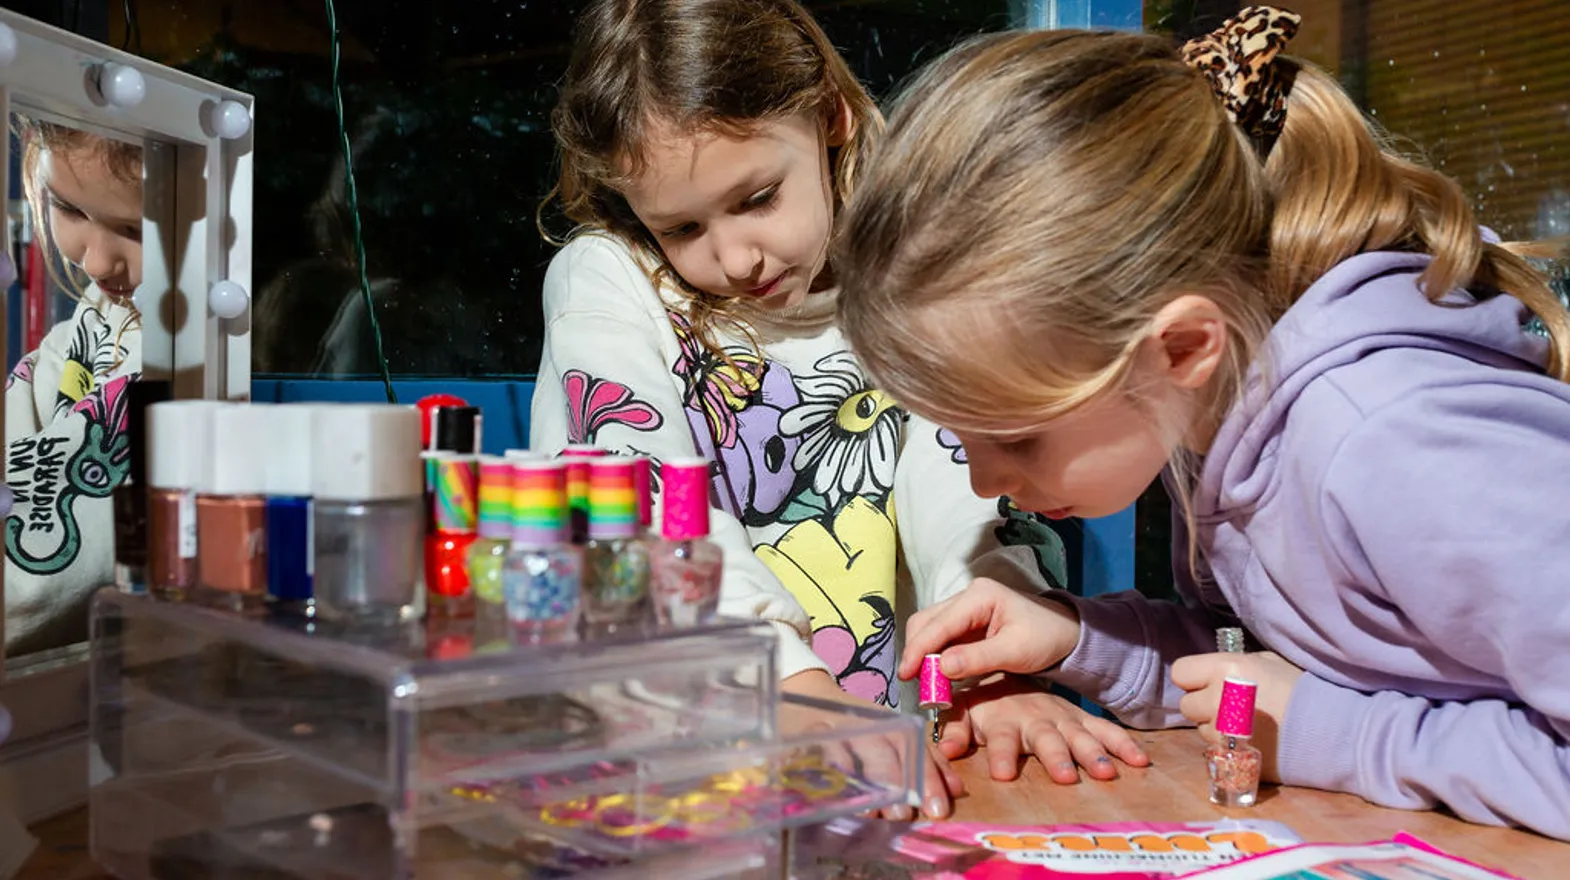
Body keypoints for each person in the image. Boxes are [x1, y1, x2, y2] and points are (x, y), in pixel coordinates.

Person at [835, 7, 1570, 840]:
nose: (986, 483)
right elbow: (1302, 661)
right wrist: (1076, 639)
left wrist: (1341, 737)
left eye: (1015, 436)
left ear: (1179, 346)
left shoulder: (1395, 442)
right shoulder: (1212, 417)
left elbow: (1329, 707)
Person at [530, 0, 1148, 819]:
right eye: (681, 227)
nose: (735, 257)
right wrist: (790, 685)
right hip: (679, 768)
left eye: (756, 198)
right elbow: (633, 498)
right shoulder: (607, 283)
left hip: (890, 763)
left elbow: (954, 486)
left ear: (828, 117)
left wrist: (988, 670)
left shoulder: (905, 272)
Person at [5, 120, 143, 655]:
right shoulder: (91, 321)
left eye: (133, 231)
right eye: (69, 209)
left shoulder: (181, 361)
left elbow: (31, 592)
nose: (94, 261)